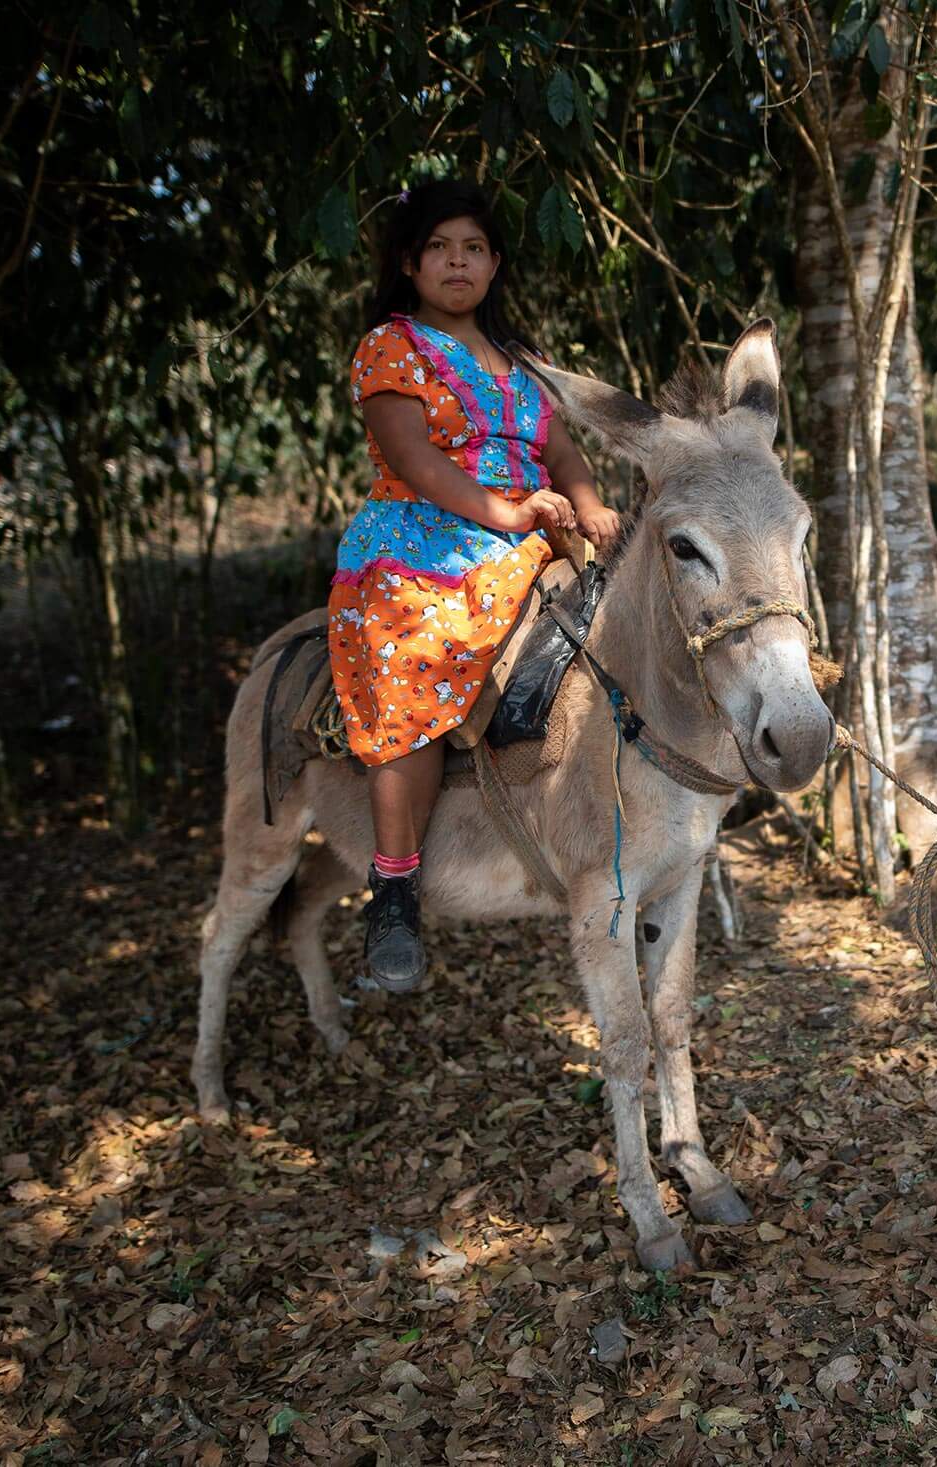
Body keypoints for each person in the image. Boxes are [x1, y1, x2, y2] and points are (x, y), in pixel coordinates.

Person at [329, 180, 621, 993]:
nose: (458, 262)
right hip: (426, 545)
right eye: (440, 249)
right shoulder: (390, 347)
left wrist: (589, 507)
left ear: (494, 265)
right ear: (410, 264)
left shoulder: (523, 367)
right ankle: (394, 888)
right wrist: (507, 510)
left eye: (474, 249)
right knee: (415, 669)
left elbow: (564, 457)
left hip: (533, 534)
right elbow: (416, 462)